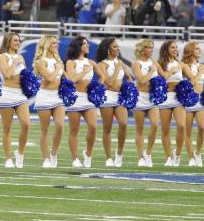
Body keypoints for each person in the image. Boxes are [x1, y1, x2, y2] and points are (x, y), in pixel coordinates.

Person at [0, 32, 30, 169]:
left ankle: (20, 153)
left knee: (26, 124)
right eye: (15, 40)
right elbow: (7, 74)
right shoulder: (2, 57)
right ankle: (8, 158)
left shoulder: (21, 57)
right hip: (7, 94)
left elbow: (25, 76)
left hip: (20, 94)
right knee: (7, 128)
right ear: (8, 42)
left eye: (19, 40)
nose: (18, 42)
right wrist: (15, 62)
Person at [95, 38, 129, 168]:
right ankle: (108, 157)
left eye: (118, 46)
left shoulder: (120, 63)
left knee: (123, 123)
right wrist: (116, 68)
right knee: (107, 128)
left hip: (119, 97)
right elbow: (108, 83)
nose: (118, 49)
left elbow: (129, 78)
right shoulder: (102, 64)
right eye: (115, 47)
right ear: (108, 49)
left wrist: (130, 87)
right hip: (107, 97)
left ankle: (119, 153)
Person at [64, 36, 97, 168]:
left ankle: (88, 153)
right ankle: (75, 158)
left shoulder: (91, 62)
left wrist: (97, 89)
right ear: (78, 46)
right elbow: (72, 79)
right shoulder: (71, 62)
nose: (87, 45)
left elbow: (102, 77)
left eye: (87, 43)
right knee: (74, 129)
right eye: (84, 44)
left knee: (93, 127)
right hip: (75, 97)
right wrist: (84, 71)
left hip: (88, 98)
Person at [32, 35, 64, 168]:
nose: (55, 46)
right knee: (44, 130)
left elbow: (64, 78)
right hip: (45, 96)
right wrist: (57, 68)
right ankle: (46, 158)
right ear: (46, 45)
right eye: (52, 44)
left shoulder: (58, 60)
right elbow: (50, 78)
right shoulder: (40, 62)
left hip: (57, 96)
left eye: (56, 43)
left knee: (60, 126)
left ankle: (53, 153)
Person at [155, 40, 186, 167]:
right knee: (165, 129)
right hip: (165, 97)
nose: (175, 49)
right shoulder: (159, 63)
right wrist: (171, 71)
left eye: (176, 48)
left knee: (181, 125)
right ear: (166, 49)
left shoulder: (181, 64)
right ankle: (168, 157)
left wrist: (201, 74)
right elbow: (162, 78)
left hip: (178, 98)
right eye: (172, 47)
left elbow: (192, 78)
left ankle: (177, 153)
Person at [131, 39, 159, 167]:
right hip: (140, 97)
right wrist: (151, 71)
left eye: (152, 48)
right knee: (140, 128)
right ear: (143, 49)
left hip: (152, 98)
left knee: (155, 124)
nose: (151, 50)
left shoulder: (154, 63)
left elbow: (162, 77)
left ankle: (148, 153)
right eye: (149, 48)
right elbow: (141, 80)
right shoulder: (136, 64)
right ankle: (141, 157)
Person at [180, 42, 204, 167]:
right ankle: (191, 157)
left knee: (202, 128)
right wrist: (200, 72)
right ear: (190, 50)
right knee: (188, 132)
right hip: (188, 100)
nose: (199, 50)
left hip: (200, 101)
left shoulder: (203, 66)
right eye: (197, 49)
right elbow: (192, 81)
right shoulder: (183, 65)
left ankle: (197, 153)